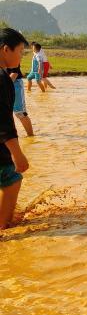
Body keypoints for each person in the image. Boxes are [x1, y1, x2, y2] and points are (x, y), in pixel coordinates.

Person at [0, 28, 30, 230]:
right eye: (20, 51)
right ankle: (3, 228)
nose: (21, 57)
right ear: (5, 49)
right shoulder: (2, 78)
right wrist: (18, 154)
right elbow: (3, 121)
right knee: (11, 180)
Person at [8, 66, 33, 136]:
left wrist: (4, 85)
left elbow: (15, 72)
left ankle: (30, 136)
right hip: (4, 83)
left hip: (14, 83)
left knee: (20, 113)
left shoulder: (11, 57)